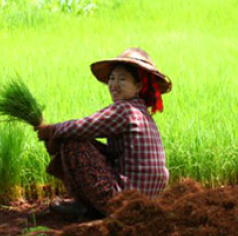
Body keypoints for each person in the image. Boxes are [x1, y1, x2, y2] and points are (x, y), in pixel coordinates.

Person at [35, 47, 171, 219]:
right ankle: (90, 206)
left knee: (72, 142)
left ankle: (86, 206)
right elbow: (112, 151)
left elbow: (84, 126)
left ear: (138, 86)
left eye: (122, 79)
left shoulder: (125, 110)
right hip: (147, 202)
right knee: (83, 140)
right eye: (112, 78)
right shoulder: (141, 112)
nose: (114, 84)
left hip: (124, 202)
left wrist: (52, 130)